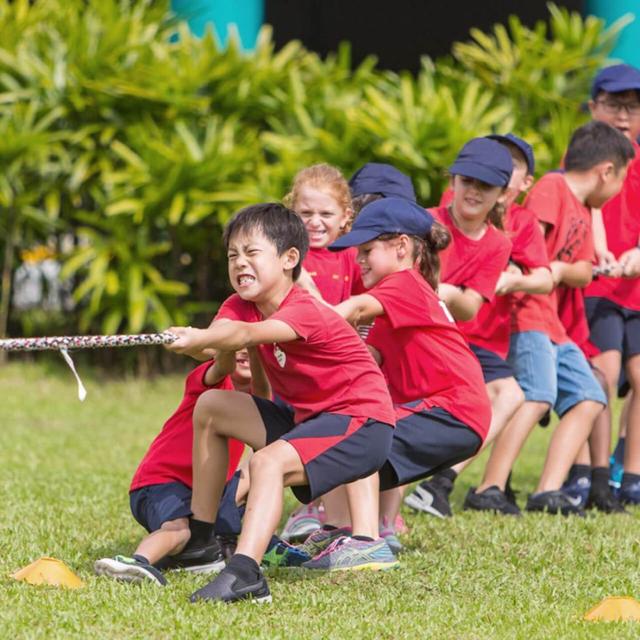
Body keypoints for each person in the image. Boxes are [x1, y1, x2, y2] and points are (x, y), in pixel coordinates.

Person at [166, 203, 397, 604]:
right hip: (308, 420)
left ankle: (245, 575)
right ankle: (201, 542)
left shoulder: (304, 308)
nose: (240, 264)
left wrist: (199, 336)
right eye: (232, 256)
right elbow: (226, 335)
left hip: (363, 423)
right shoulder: (241, 305)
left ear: (290, 258)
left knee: (266, 462)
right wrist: (202, 342)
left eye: (252, 253)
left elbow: (242, 334)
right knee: (212, 406)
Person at [475, 120, 634, 515]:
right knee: (537, 394)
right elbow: (527, 250)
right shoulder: (551, 187)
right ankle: (488, 486)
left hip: (555, 324)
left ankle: (547, 490)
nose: (618, 191)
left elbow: (579, 270)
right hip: (527, 314)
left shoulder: (581, 207)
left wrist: (561, 272)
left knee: (590, 396)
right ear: (607, 171)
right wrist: (549, 274)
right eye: (622, 178)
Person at [323, 196, 490, 551]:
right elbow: (360, 359)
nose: (359, 259)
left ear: (401, 247)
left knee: (361, 434)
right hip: (460, 414)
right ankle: (340, 531)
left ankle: (365, 541)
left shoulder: (403, 284)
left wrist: (296, 323)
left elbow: (353, 309)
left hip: (452, 409)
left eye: (368, 250)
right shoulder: (395, 306)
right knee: (340, 437)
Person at [407, 134, 554, 517]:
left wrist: (446, 289)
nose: (473, 191)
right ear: (452, 181)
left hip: (468, 341)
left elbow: (470, 308)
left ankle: (440, 482)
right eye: (466, 180)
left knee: (513, 394)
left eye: (485, 185)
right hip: (418, 336)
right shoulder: (423, 222)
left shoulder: (498, 243)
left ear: (503, 192)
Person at [94, 351, 260, 585]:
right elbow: (222, 364)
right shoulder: (213, 382)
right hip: (162, 482)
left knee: (259, 469)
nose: (245, 350)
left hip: (208, 492)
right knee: (179, 529)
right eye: (238, 344)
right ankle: (137, 561)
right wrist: (224, 344)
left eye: (252, 345)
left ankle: (203, 553)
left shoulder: (260, 400)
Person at [279, 163, 361, 542]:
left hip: (338, 369)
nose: (315, 222)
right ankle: (314, 512)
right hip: (296, 369)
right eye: (305, 213)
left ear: (345, 216)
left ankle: (337, 522)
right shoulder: (289, 259)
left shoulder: (350, 257)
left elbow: (364, 308)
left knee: (337, 444)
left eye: (326, 214)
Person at [579, 64, 640, 505]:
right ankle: (595, 472)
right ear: (593, 107)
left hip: (636, 290)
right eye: (614, 105)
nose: (623, 115)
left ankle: (631, 475)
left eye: (634, 107)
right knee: (605, 372)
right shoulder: (581, 160)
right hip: (597, 288)